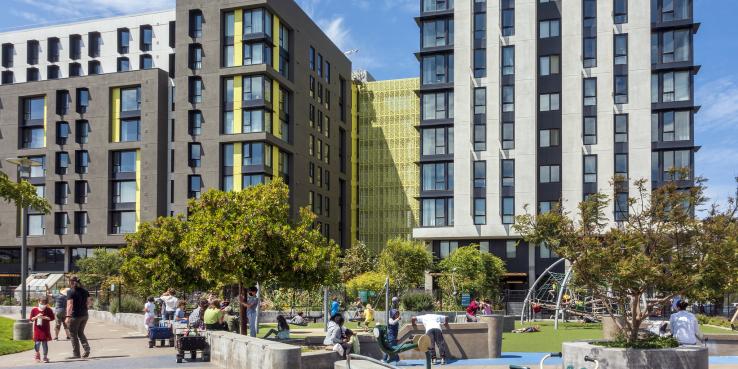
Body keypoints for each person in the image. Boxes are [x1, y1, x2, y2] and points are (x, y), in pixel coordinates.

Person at [65, 276, 91, 359]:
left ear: (71, 282)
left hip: (75, 316)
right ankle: (86, 349)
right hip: (85, 315)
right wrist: (84, 308)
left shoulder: (70, 292)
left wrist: (68, 316)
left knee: (73, 335)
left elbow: (70, 305)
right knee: (80, 332)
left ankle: (76, 354)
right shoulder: (85, 291)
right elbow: (89, 303)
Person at [30, 296, 54, 363]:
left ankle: (45, 357)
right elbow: (31, 319)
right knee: (37, 343)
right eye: (42, 302)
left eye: (44, 303)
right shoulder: (34, 310)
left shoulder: (48, 310)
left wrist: (45, 318)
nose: (43, 304)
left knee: (44, 343)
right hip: (37, 329)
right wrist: (36, 317)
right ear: (38, 302)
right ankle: (37, 355)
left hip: (45, 329)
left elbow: (52, 318)